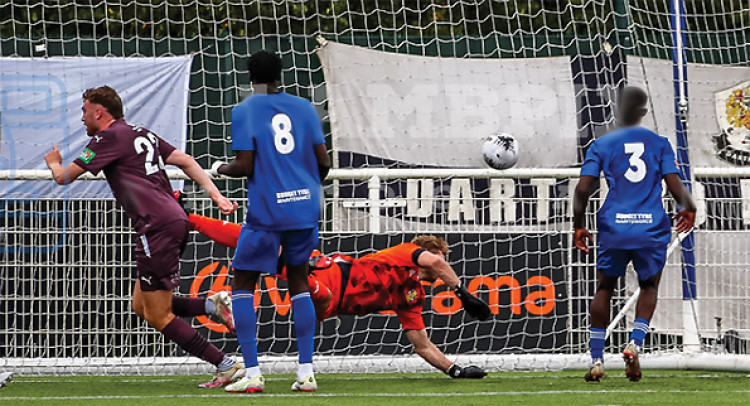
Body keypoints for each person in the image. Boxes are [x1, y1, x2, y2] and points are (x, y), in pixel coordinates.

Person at [43, 85, 242, 388]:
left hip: (156, 225)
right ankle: (212, 306)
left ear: (99, 111)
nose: (82, 118)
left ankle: (224, 364)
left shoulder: (107, 137)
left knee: (159, 316)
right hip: (174, 218)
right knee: (142, 306)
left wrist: (54, 161)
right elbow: (187, 160)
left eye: (84, 111)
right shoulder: (141, 133)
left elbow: (63, 177)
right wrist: (217, 197)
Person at [175, 205, 491, 380]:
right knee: (257, 242)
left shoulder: (411, 297)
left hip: (326, 306)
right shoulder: (406, 254)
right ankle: (189, 217)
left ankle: (305, 288)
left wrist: (455, 369)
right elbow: (434, 261)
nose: (441, 271)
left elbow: (422, 345)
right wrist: (462, 293)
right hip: (327, 272)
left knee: (318, 297)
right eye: (441, 264)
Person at [209, 50, 332, 393]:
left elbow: (244, 165)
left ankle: (253, 374)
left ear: (250, 76)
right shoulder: (306, 107)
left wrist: (217, 168)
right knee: (299, 281)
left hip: (267, 210)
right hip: (305, 208)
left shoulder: (244, 109)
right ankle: (306, 373)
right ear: (281, 73)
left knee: (244, 283)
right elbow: (323, 165)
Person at [572, 86, 696, 382]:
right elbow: (675, 185)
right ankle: (634, 343)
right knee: (649, 286)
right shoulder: (660, 143)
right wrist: (688, 208)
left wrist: (578, 225)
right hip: (651, 226)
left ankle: (596, 360)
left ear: (618, 110)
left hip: (614, 225)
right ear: (643, 112)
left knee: (604, 288)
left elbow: (582, 190)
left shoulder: (601, 144)